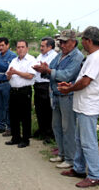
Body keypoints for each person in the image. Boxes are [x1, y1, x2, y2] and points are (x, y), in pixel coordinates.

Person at [58, 26, 99, 188]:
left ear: (89, 41)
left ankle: (94, 175)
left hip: (89, 106)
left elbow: (86, 82)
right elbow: (83, 79)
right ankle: (79, 168)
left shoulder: (97, 57)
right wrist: (70, 84)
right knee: (80, 140)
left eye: (83, 40)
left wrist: (69, 89)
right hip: (82, 104)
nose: (82, 43)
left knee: (88, 142)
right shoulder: (92, 56)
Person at [33, 29, 84, 168]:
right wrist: (45, 70)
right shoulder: (61, 54)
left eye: (65, 42)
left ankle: (70, 158)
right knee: (57, 126)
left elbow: (67, 75)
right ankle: (61, 154)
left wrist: (48, 71)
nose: (62, 45)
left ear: (73, 42)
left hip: (68, 96)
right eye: (60, 42)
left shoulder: (77, 57)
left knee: (68, 128)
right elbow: (52, 68)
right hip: (55, 95)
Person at [5, 40, 36, 148]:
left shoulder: (31, 60)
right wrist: (9, 75)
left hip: (24, 91)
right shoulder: (14, 61)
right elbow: (8, 75)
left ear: (27, 48)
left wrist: (16, 72)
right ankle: (15, 137)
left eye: (22, 47)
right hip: (13, 90)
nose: (20, 49)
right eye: (18, 47)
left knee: (25, 116)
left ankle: (25, 139)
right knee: (14, 116)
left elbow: (30, 75)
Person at [33, 37, 58, 143]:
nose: (41, 48)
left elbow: (50, 70)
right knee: (39, 109)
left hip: (46, 85)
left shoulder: (54, 56)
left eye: (43, 46)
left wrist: (42, 69)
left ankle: (49, 133)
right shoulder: (40, 56)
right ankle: (41, 129)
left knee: (48, 110)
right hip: (38, 84)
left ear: (50, 47)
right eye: (41, 45)